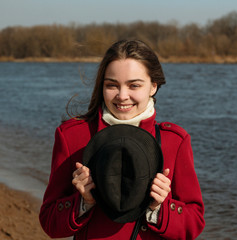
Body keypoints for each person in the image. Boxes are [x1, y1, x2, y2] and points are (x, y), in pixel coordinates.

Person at [39, 39, 205, 239]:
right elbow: (49, 223)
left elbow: (194, 224)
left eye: (134, 85)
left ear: (153, 86)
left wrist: (159, 208)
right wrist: (84, 202)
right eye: (112, 85)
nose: (122, 95)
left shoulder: (175, 141)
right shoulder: (72, 136)